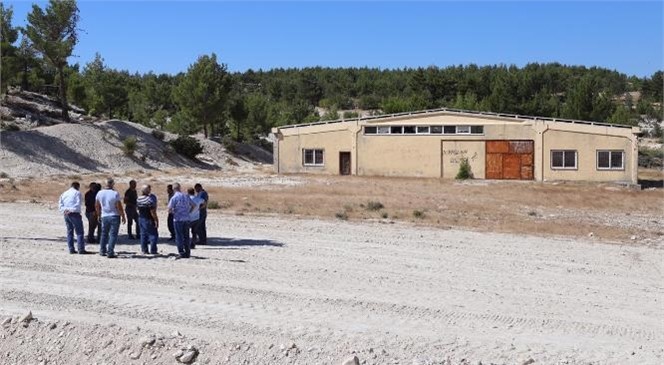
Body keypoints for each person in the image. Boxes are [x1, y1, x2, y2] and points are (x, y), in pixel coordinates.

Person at [96, 178, 126, 258]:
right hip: (114, 215)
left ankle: (102, 250)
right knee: (113, 234)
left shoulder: (99, 193)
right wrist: (123, 215)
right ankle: (110, 251)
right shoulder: (115, 193)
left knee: (104, 234)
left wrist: (98, 215)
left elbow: (97, 205)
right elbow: (118, 206)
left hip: (104, 215)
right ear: (112, 184)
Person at [168, 183, 195, 259]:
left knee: (179, 236)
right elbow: (194, 205)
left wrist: (174, 212)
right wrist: (189, 212)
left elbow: (169, 209)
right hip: (186, 218)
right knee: (186, 236)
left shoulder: (174, 197)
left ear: (173, 189)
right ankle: (187, 252)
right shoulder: (186, 196)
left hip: (178, 219)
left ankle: (181, 252)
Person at [58, 181, 86, 254]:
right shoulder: (77, 193)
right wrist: (71, 210)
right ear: (77, 186)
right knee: (79, 232)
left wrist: (64, 210)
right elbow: (78, 204)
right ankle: (81, 249)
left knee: (70, 231)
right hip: (74, 214)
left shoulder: (64, 193)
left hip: (66, 214)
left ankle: (71, 249)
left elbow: (60, 204)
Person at [137, 184, 159, 255]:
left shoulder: (138, 198)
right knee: (153, 234)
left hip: (141, 217)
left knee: (143, 234)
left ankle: (144, 250)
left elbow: (137, 208)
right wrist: (156, 220)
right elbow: (152, 211)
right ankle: (153, 250)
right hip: (148, 218)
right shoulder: (149, 199)